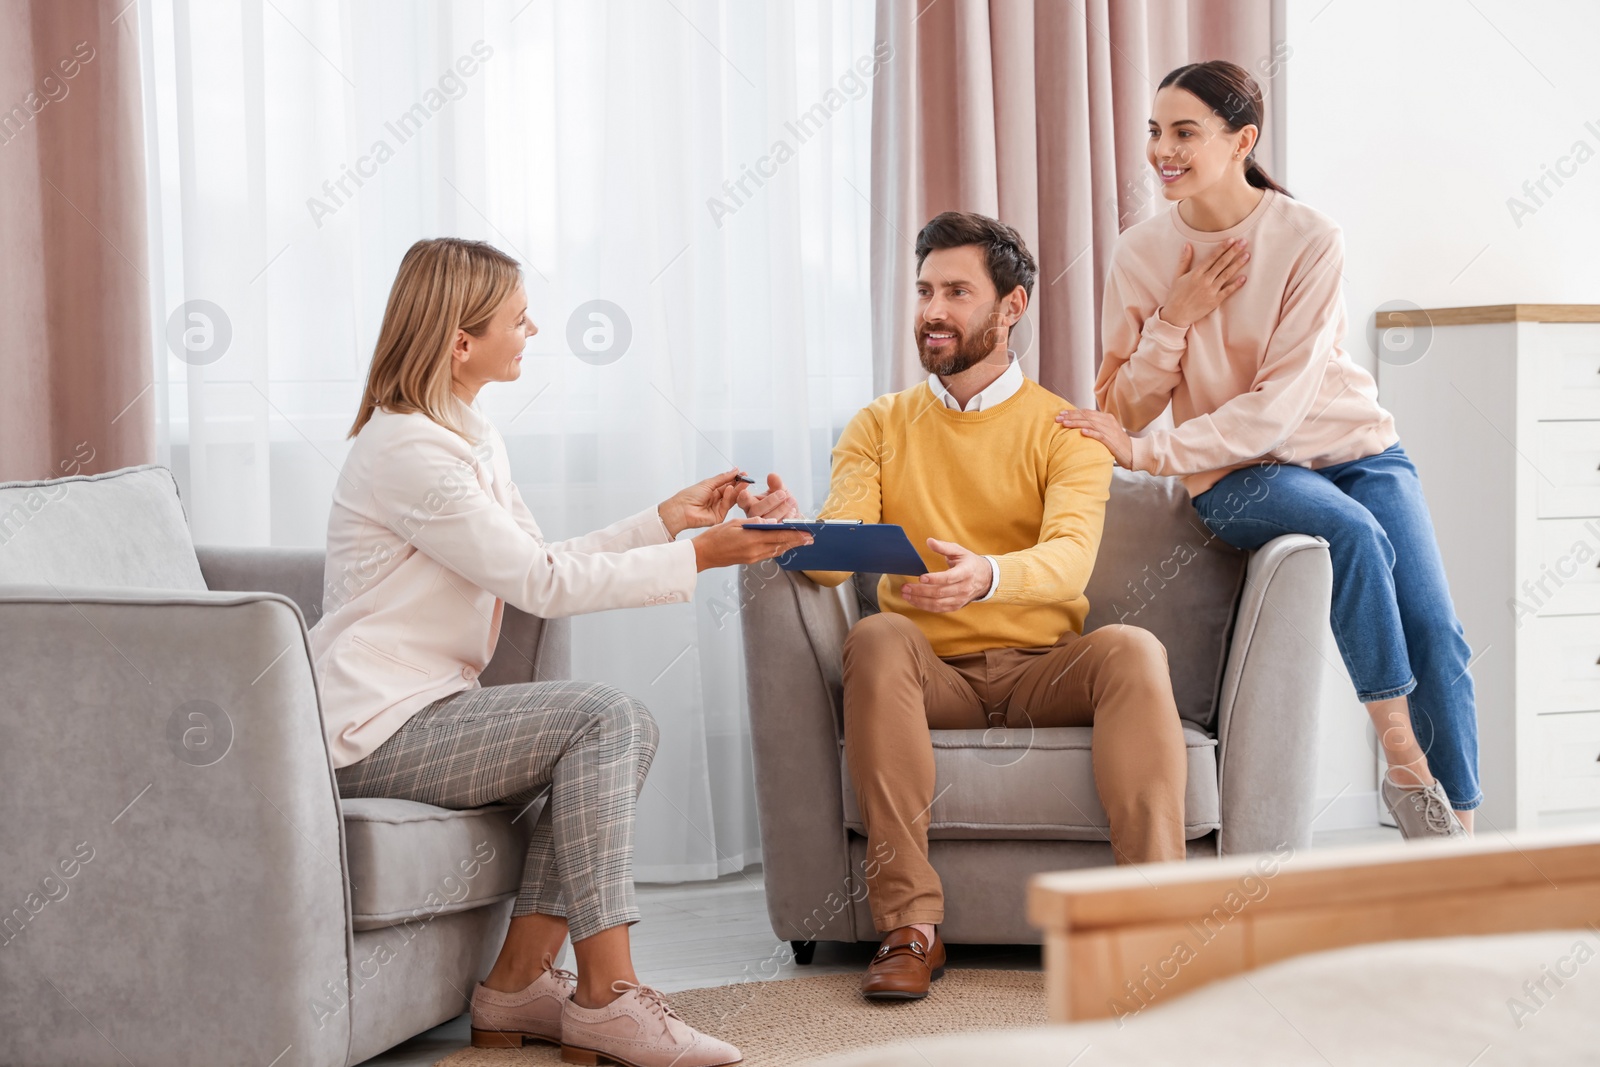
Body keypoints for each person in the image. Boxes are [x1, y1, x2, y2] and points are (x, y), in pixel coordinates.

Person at [308, 237, 809, 1065]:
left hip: (427, 706)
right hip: (369, 726)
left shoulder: (464, 433)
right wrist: (701, 557)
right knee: (608, 717)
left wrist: (666, 520)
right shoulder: (408, 452)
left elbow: (538, 561)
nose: (532, 327)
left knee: (604, 743)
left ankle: (517, 983)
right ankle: (609, 995)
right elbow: (540, 583)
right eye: (516, 317)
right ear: (460, 342)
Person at [771, 211, 1189, 1002]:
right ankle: (909, 927)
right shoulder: (879, 423)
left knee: (1134, 648)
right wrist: (796, 532)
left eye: (957, 291)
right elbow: (843, 550)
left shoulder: (1065, 429)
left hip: (1044, 670)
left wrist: (987, 575)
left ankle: (1148, 918)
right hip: (932, 675)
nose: (933, 309)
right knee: (879, 634)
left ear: (1012, 306)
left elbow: (1071, 559)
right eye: (926, 289)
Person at [1057, 60, 1477, 839]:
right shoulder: (1141, 254)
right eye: (1155, 131)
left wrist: (1148, 450)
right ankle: (1403, 763)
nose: (1162, 151)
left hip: (1356, 449)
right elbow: (1121, 407)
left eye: (1184, 132)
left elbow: (1277, 407)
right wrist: (1174, 320)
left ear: (1242, 139)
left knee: (1438, 630)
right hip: (1234, 471)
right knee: (1355, 533)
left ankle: (1460, 852)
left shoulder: (1309, 238)